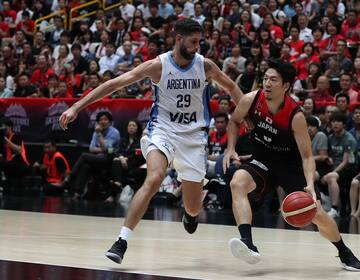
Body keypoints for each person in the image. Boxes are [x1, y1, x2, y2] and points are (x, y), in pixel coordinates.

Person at [59, 18, 242, 264]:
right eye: (193, 41)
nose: (198, 46)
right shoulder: (159, 65)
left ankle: (190, 214)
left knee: (193, 207)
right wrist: (76, 107)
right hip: (163, 130)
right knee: (154, 177)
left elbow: (232, 88)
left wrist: (246, 114)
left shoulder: (205, 66)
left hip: (194, 137)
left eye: (199, 41)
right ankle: (121, 241)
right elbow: (115, 84)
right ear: (179, 39)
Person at [223, 59, 360, 271]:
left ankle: (343, 250)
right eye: (265, 78)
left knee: (317, 214)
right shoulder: (251, 100)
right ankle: (248, 243)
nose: (267, 83)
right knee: (237, 183)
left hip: (290, 166)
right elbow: (234, 121)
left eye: (273, 80)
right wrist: (230, 148)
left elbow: (307, 156)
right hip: (262, 160)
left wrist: (309, 184)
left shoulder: (295, 115)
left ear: (286, 86)